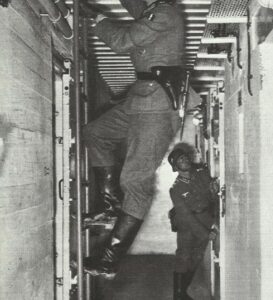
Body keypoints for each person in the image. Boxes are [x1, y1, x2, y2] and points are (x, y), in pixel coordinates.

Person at [81, 0, 185, 279]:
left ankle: (108, 261)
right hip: (140, 99)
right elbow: (135, 5)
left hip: (158, 106)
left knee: (135, 182)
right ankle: (110, 205)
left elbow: (124, 41)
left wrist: (99, 19)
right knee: (96, 133)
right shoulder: (152, 10)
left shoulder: (165, 11)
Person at [168, 147, 217, 300]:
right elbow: (186, 216)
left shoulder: (201, 173)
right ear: (175, 167)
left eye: (185, 157)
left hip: (205, 219)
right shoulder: (176, 189)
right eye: (180, 160)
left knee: (196, 257)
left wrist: (214, 192)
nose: (186, 160)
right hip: (186, 225)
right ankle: (178, 295)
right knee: (183, 257)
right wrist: (204, 233)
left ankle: (183, 292)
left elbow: (211, 195)